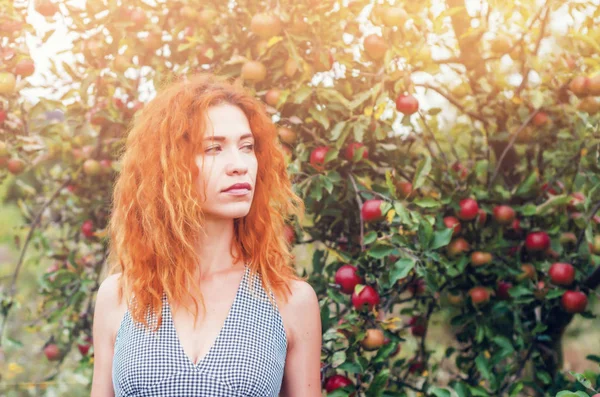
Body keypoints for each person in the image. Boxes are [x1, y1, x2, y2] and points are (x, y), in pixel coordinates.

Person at [90, 73, 322, 396]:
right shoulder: (120, 297)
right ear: (169, 167)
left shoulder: (291, 302)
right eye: (214, 148)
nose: (239, 165)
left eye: (247, 147)